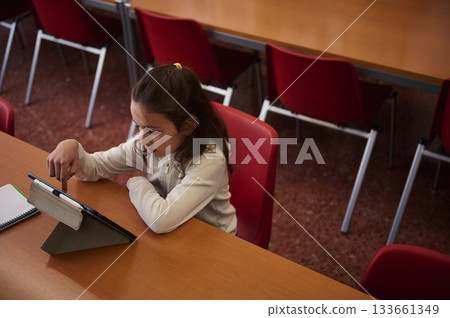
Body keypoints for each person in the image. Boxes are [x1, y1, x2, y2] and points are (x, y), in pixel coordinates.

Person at [46, 64, 237, 235]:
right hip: (173, 231)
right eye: (138, 125)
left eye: (152, 130)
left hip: (212, 240)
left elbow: (161, 220)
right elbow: (97, 167)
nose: (142, 138)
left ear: (187, 126)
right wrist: (72, 147)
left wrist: (136, 183)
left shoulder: (209, 159)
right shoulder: (147, 142)